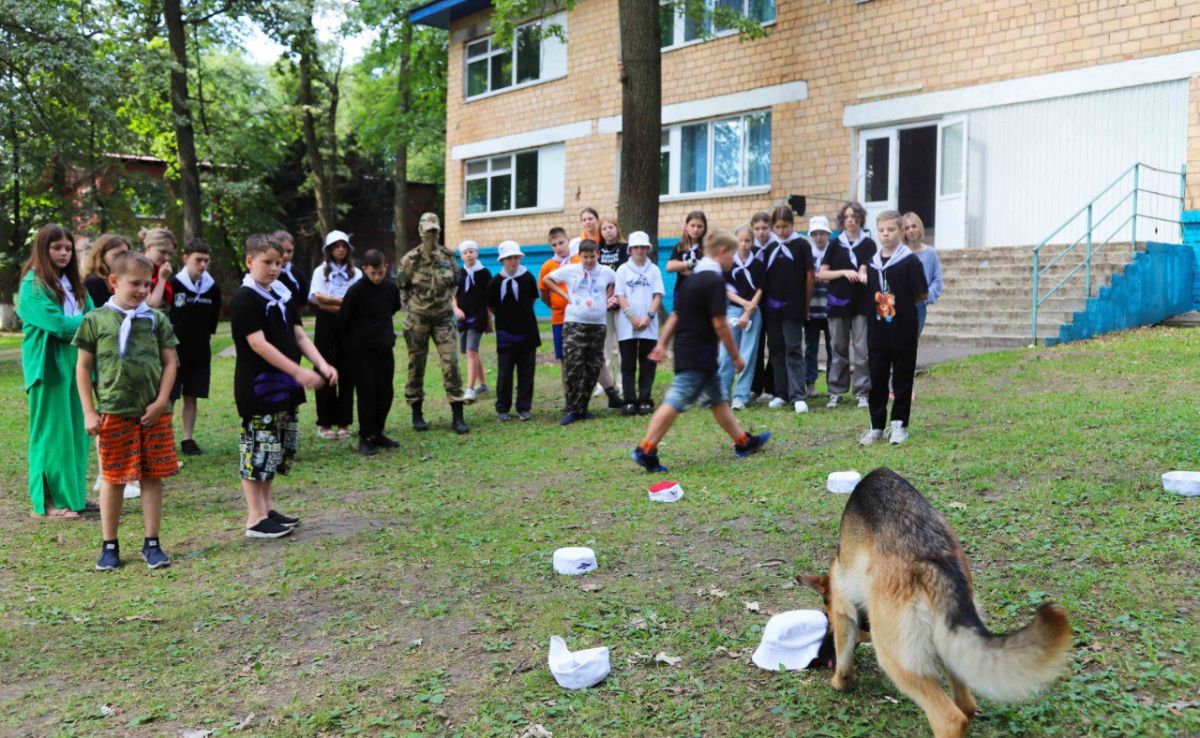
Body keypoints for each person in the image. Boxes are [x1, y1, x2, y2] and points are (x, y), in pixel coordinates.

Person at [631, 231, 770, 473]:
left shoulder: (693, 279)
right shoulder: (714, 282)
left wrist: (663, 343)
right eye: (733, 255)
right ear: (722, 252)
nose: (734, 261)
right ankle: (646, 448)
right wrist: (736, 356)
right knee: (676, 399)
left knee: (717, 399)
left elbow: (675, 315)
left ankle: (743, 441)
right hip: (698, 352)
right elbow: (720, 323)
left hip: (690, 348)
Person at [75, 251, 179, 570]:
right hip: (113, 411)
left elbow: (171, 362)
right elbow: (83, 367)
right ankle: (109, 545)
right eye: (135, 284)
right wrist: (89, 412)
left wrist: (161, 401)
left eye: (147, 285)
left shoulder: (156, 319)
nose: (142, 291)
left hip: (152, 414)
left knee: (152, 476)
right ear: (113, 282)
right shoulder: (95, 320)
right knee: (113, 477)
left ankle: (152, 542)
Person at [230, 234, 336, 538]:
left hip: (284, 388)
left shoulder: (284, 292)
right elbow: (258, 344)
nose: (274, 268)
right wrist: (298, 373)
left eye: (279, 262)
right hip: (258, 388)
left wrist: (321, 364)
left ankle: (265, 509)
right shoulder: (244, 299)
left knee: (273, 449)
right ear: (250, 261)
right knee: (256, 450)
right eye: (267, 263)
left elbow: (299, 335)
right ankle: (254, 519)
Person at [19, 223, 93, 519]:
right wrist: (92, 321)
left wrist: (93, 319)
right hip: (47, 368)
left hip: (77, 367)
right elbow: (60, 326)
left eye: (67, 248)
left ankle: (73, 495)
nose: (63, 253)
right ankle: (47, 503)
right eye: (56, 248)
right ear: (43, 249)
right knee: (51, 435)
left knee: (77, 432)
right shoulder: (32, 286)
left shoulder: (74, 285)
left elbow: (94, 312)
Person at [859, 211, 928, 446]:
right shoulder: (872, 264)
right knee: (877, 378)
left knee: (902, 378)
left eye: (890, 230)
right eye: (881, 230)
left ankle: (899, 425)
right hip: (878, 332)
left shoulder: (910, 261)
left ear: (900, 231)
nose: (885, 234)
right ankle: (876, 426)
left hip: (903, 329)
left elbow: (921, 294)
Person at [397, 212, 469, 434]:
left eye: (435, 231)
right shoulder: (410, 260)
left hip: (443, 318)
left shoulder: (448, 257)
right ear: (420, 232)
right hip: (417, 318)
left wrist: (447, 303)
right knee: (416, 365)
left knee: (451, 364)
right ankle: (417, 413)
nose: (431, 235)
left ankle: (457, 415)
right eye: (428, 232)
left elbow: (455, 283)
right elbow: (402, 286)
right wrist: (413, 308)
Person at [543, 239, 617, 425]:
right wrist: (564, 295)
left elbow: (616, 283)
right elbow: (547, 279)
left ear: (598, 254)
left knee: (592, 367)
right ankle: (573, 409)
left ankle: (583, 407)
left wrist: (608, 296)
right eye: (585, 257)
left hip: (598, 325)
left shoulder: (606, 272)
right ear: (580, 256)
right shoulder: (571, 270)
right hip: (575, 323)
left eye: (592, 256)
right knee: (573, 366)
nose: (589, 260)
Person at [337, 249, 401, 456]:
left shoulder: (391, 288)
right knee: (367, 393)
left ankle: (377, 432)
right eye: (373, 273)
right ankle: (365, 436)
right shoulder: (356, 291)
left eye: (381, 272)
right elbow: (343, 319)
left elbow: (393, 308)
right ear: (364, 269)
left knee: (386, 392)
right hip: (361, 351)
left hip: (383, 347)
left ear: (386, 267)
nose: (377, 277)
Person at [819, 201, 876, 409]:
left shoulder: (869, 244)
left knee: (862, 349)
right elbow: (822, 273)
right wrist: (844, 272)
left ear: (860, 219)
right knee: (838, 347)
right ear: (842, 221)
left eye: (854, 216)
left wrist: (863, 273)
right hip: (838, 303)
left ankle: (862, 391)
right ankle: (836, 390)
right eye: (847, 217)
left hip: (861, 303)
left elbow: (870, 267)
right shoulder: (835, 243)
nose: (851, 220)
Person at [168, 238, 221, 456]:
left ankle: (187, 439)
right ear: (185, 258)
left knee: (192, 394)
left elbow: (212, 322)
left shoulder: (212, 288)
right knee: (169, 396)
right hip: (173, 351)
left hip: (199, 351)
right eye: (198, 260)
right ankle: (164, 439)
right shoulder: (174, 284)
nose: (202, 265)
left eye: (206, 260)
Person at [308, 230, 362, 440]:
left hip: (350, 326)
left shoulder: (355, 273)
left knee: (348, 373)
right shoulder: (320, 271)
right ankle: (324, 423)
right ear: (329, 249)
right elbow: (318, 299)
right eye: (336, 246)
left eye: (344, 245)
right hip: (326, 326)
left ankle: (344, 422)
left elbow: (358, 301)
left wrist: (333, 301)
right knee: (325, 372)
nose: (340, 249)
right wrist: (344, 303)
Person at [762, 205, 814, 414]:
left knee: (793, 349)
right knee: (776, 349)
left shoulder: (801, 245)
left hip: (793, 306)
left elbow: (810, 275)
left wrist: (806, 305)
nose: (781, 231)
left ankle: (798, 395)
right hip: (772, 307)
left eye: (785, 226)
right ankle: (781, 392)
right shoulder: (768, 248)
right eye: (778, 227)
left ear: (792, 225)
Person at [485, 241, 540, 421]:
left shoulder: (528, 278)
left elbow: (531, 300)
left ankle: (524, 407)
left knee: (526, 371)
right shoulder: (495, 282)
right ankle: (503, 408)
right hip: (505, 334)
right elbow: (492, 306)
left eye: (516, 257)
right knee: (505, 371)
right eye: (509, 258)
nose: (513, 261)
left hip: (527, 332)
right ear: (502, 260)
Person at [614, 231, 664, 416]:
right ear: (630, 249)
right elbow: (620, 295)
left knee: (648, 362)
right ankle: (629, 400)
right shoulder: (622, 270)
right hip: (627, 324)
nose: (640, 251)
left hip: (648, 325)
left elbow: (657, 295)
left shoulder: (654, 270)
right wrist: (632, 317)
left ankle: (645, 399)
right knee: (627, 363)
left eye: (643, 247)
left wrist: (648, 317)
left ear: (648, 249)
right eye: (636, 247)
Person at [717, 226, 764, 410]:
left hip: (753, 312)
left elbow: (760, 288)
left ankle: (740, 397)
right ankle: (722, 395)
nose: (744, 245)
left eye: (747, 241)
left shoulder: (758, 263)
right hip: (732, 310)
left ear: (752, 243)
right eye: (740, 241)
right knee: (726, 354)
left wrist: (749, 309)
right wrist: (743, 304)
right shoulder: (727, 263)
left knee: (748, 354)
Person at [453, 241, 491, 403]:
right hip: (463, 318)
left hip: (478, 318)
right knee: (471, 352)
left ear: (477, 253)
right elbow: (452, 294)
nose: (468, 254)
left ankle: (469, 388)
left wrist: (489, 318)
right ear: (461, 256)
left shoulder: (484, 273)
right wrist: (456, 309)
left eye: (471, 251)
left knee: (471, 351)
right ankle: (482, 384)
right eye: (465, 252)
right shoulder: (459, 273)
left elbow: (490, 297)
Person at [596, 216, 628, 405]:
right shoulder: (597, 250)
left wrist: (618, 294)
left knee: (622, 345)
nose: (608, 231)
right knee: (605, 346)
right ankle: (604, 384)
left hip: (622, 302)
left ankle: (623, 382)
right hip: (603, 304)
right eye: (604, 228)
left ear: (617, 229)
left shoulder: (625, 248)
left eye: (611, 227)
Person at [805, 216, 833, 398]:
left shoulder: (834, 252)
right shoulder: (808, 253)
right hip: (812, 308)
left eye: (822, 233)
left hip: (831, 308)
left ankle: (833, 385)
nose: (819, 237)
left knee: (834, 348)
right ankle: (810, 385)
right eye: (815, 234)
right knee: (811, 348)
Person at [902, 212, 944, 336]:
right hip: (901, 303)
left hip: (919, 305)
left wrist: (927, 297)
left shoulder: (930, 253)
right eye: (907, 228)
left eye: (914, 226)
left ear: (919, 227)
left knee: (912, 340)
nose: (911, 230)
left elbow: (937, 279)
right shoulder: (899, 253)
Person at [747, 212, 774, 403]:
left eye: (765, 228)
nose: (761, 232)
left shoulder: (776, 247)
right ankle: (755, 386)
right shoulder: (749, 249)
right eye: (757, 229)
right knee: (755, 344)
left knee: (774, 344)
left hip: (773, 302)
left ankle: (770, 386)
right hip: (754, 302)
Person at [665, 211, 708, 300]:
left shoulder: (707, 248)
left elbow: (707, 274)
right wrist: (691, 263)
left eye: (699, 226)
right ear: (686, 226)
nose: (696, 229)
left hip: (702, 294)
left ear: (705, 228)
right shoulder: (680, 247)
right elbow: (669, 267)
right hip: (681, 292)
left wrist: (681, 268)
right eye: (692, 225)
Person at [82, 234, 130, 310]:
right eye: (118, 255)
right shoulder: (93, 282)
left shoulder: (124, 278)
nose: (123, 259)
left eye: (126, 255)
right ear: (101, 256)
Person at [139, 227, 176, 309]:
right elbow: (151, 305)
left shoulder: (160, 269)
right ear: (149, 247)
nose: (167, 258)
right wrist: (162, 279)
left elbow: (163, 303)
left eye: (170, 254)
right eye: (162, 252)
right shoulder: (137, 265)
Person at [273, 230, 309, 312]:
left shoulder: (298, 275)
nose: (285, 255)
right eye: (281, 251)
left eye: (289, 251)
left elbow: (302, 303)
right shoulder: (267, 275)